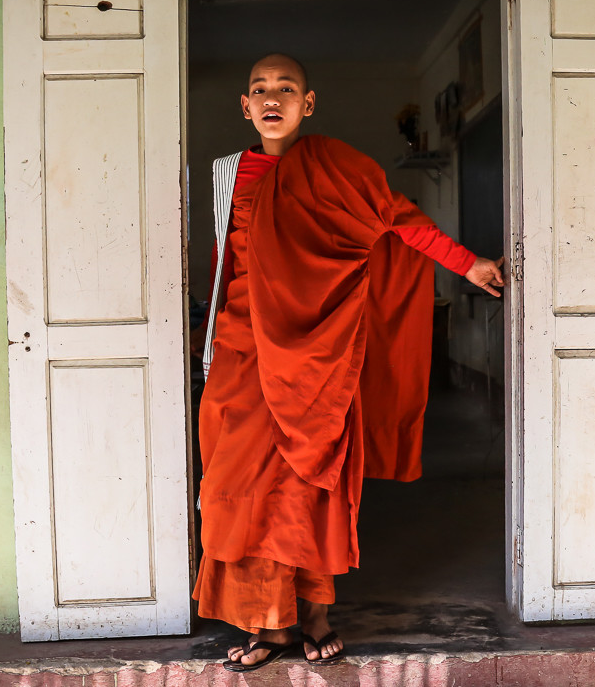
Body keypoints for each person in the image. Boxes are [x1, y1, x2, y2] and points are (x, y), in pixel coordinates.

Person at [193, 54, 505, 671]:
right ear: (245, 106)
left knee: (308, 482)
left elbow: (398, 219)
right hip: (242, 351)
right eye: (259, 89)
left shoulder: (335, 167)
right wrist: (208, 347)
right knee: (241, 485)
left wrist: (465, 263)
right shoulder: (229, 174)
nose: (272, 96)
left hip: (314, 355)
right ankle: (266, 622)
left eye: (286, 87)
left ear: (308, 104)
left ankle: (312, 614)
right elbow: (224, 266)